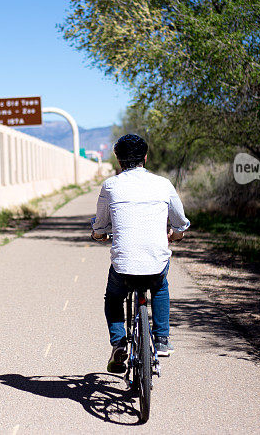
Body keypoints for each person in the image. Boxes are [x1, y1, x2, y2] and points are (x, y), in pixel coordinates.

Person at [91, 134, 190, 373]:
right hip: (155, 263)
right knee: (159, 286)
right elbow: (180, 222)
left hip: (123, 266)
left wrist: (99, 234)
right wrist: (175, 234)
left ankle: (118, 343)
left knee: (114, 297)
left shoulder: (110, 185)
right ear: (145, 158)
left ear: (118, 161)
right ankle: (162, 339)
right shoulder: (163, 184)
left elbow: (101, 224)